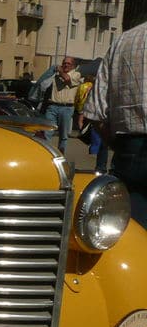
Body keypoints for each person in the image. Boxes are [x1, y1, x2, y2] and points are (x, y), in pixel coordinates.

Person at [83, 21, 147, 229]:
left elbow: (95, 112)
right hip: (130, 149)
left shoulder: (124, 41)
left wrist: (117, 144)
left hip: (130, 151)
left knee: (133, 234)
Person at [42, 57, 82, 154]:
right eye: (64, 63)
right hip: (52, 106)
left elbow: (67, 79)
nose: (65, 65)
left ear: (73, 66)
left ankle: (60, 154)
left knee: (63, 134)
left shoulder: (76, 75)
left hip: (66, 108)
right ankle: (47, 154)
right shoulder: (55, 74)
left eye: (68, 63)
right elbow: (43, 83)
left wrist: (60, 71)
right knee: (47, 132)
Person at [75, 74, 108, 172]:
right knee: (102, 143)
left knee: (102, 143)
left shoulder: (91, 88)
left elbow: (83, 102)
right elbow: (88, 103)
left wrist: (81, 115)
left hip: (101, 117)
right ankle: (100, 166)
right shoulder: (94, 89)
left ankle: (100, 165)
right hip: (99, 117)